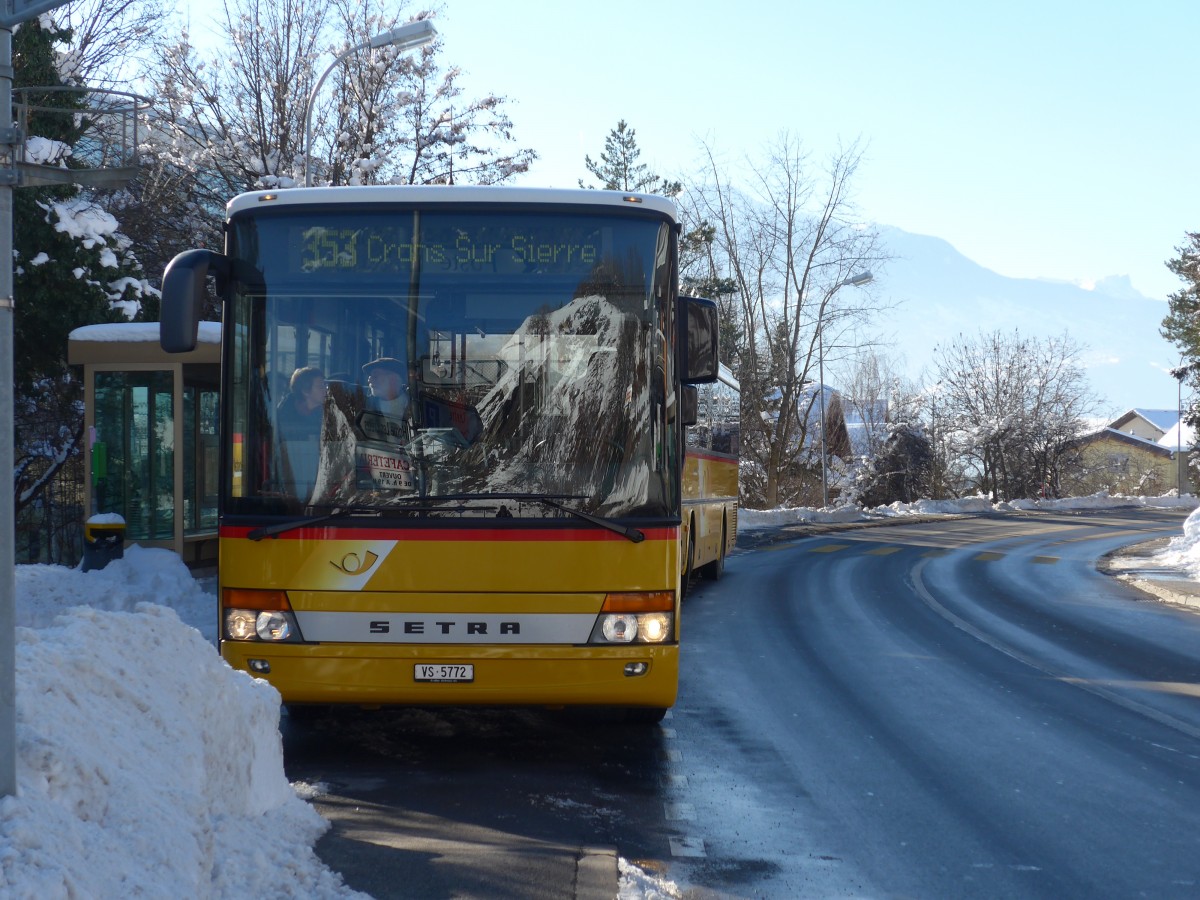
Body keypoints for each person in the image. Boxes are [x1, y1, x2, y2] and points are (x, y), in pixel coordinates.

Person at [276, 366, 326, 498]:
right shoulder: (282, 415)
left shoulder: (329, 413)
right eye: (320, 386)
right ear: (305, 391)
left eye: (324, 385)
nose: (325, 390)